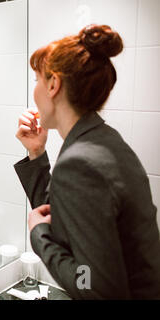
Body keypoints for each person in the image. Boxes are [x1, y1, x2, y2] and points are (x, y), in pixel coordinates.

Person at [14, 24, 160, 299]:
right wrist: (37, 153)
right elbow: (72, 222)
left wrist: (39, 236)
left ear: (53, 84)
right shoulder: (105, 140)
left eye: (36, 80)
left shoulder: (80, 162)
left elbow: (94, 287)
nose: (34, 91)